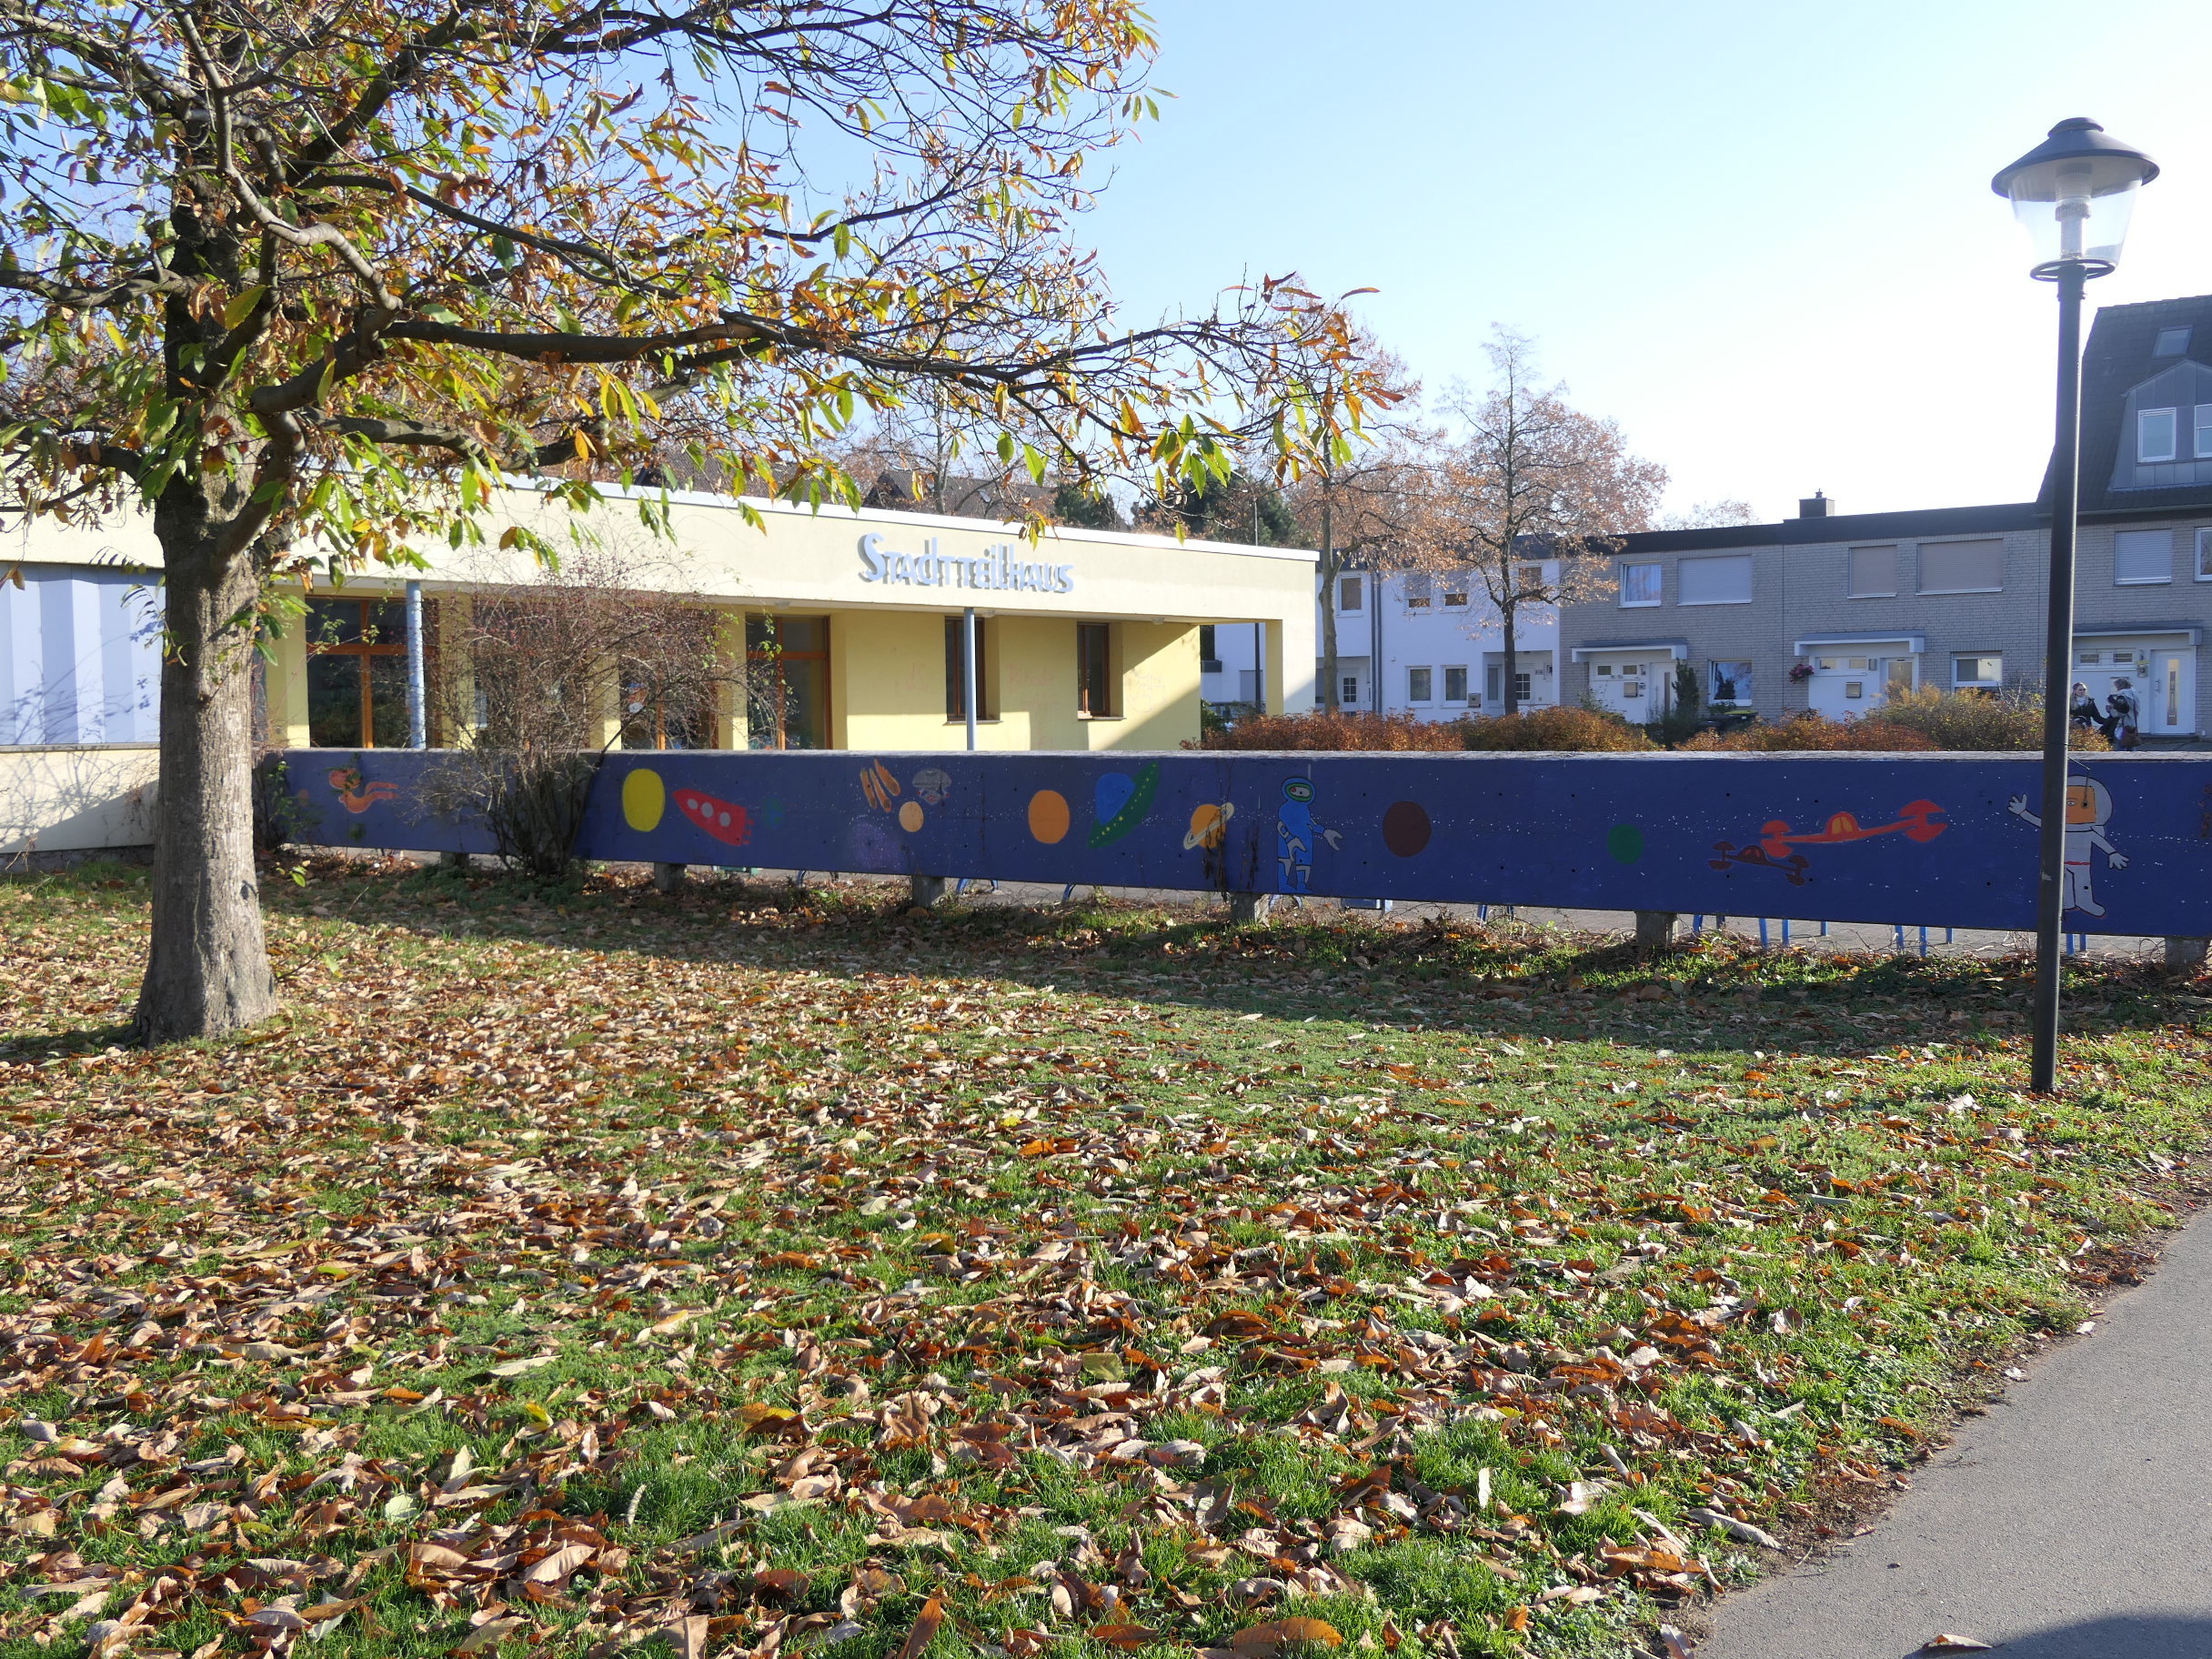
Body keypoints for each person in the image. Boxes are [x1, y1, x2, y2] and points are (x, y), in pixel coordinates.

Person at [2105, 679, 2139, 750]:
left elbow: (2120, 712)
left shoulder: (2122, 695)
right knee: (2132, 747)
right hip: (2133, 724)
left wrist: (2111, 708)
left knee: (2122, 748)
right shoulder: (2134, 695)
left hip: (2123, 724)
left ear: (2118, 686)